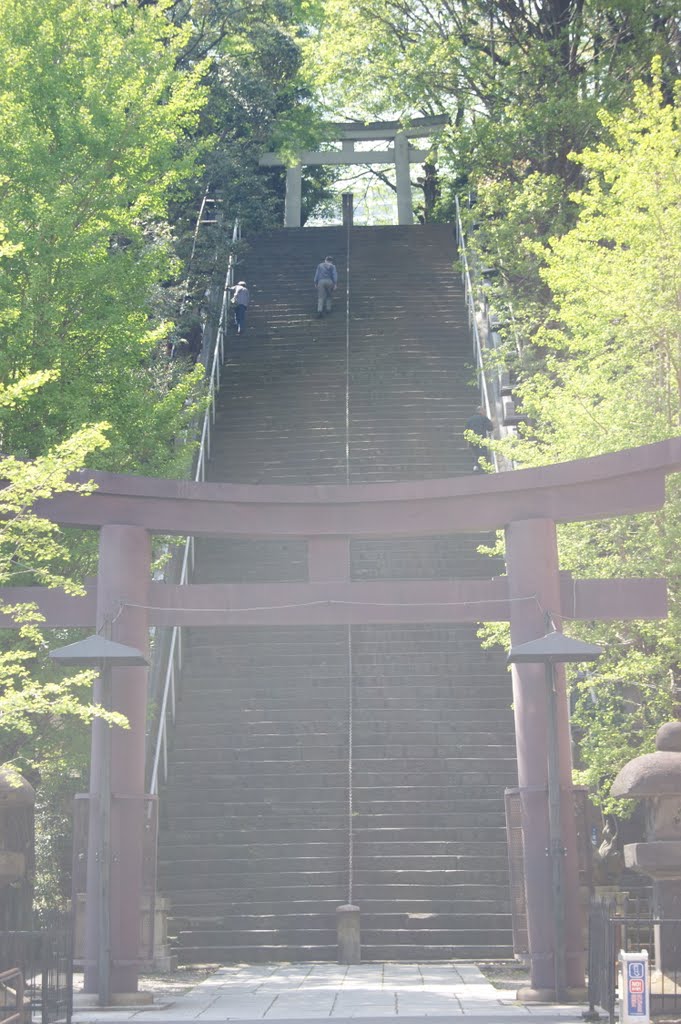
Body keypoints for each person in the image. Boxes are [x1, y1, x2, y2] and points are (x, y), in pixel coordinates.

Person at [464, 406, 493, 472]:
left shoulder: (469, 419)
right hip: (482, 440)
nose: (485, 412)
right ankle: (483, 469)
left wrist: (467, 441)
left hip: (472, 440)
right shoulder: (484, 418)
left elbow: (466, 431)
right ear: (481, 411)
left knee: (475, 453)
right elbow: (490, 428)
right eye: (484, 411)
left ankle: (476, 466)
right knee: (482, 454)